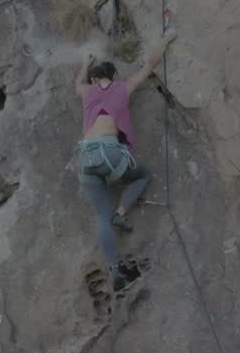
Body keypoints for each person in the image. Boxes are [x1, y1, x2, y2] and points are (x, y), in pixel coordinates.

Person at [74, 27, 177, 288]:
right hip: (111, 154)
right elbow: (149, 66)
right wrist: (165, 39)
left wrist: (85, 63)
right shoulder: (124, 87)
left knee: (101, 218)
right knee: (142, 175)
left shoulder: (87, 92)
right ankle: (121, 211)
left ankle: (114, 270)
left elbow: (78, 82)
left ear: (96, 80)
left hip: (86, 157)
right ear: (114, 76)